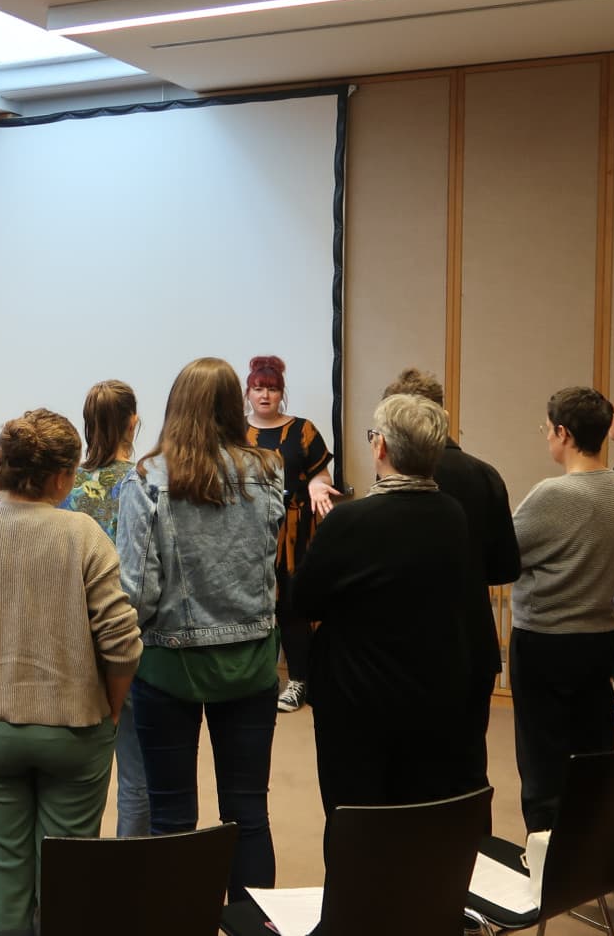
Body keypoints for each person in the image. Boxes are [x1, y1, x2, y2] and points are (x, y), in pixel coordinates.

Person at [0, 409, 142, 934]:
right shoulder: (84, 534)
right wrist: (110, 709)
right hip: (76, 729)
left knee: (3, 881)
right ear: (64, 477)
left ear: (0, 467)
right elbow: (123, 645)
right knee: (66, 883)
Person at [118, 358, 286, 898]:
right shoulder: (268, 471)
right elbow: (267, 564)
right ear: (233, 407)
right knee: (248, 814)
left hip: (168, 667)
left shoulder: (147, 479)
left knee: (171, 820)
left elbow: (136, 590)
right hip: (253, 663)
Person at [293, 394, 477, 813]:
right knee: (414, 814)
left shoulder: (349, 520)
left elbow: (304, 601)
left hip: (355, 697)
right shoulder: (452, 514)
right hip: (431, 689)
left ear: (381, 448)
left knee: (354, 819)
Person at [381, 368, 518, 799]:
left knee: (408, 772)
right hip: (471, 641)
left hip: (405, 649)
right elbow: (504, 569)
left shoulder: (388, 489)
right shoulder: (485, 474)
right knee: (468, 766)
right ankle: (475, 855)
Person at [509, 387, 614, 832]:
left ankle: (546, 853)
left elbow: (505, 555)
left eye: (547, 429)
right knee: (592, 746)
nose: (546, 436)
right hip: (601, 635)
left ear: (563, 433)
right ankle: (590, 847)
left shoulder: (552, 494)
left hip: (545, 638)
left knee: (542, 752)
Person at [59, 381, 148, 838]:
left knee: (74, 777)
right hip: (128, 635)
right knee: (136, 774)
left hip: (71, 637)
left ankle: (78, 874)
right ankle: (129, 876)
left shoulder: (63, 484)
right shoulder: (145, 481)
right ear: (134, 421)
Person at [241, 356, 337, 714]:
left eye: (273, 388)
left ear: (282, 392)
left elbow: (320, 474)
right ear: (247, 392)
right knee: (252, 606)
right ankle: (256, 680)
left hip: (295, 535)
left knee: (292, 606)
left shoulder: (303, 430)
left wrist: (318, 487)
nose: (265, 395)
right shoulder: (235, 432)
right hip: (247, 535)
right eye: (258, 388)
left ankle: (299, 680)